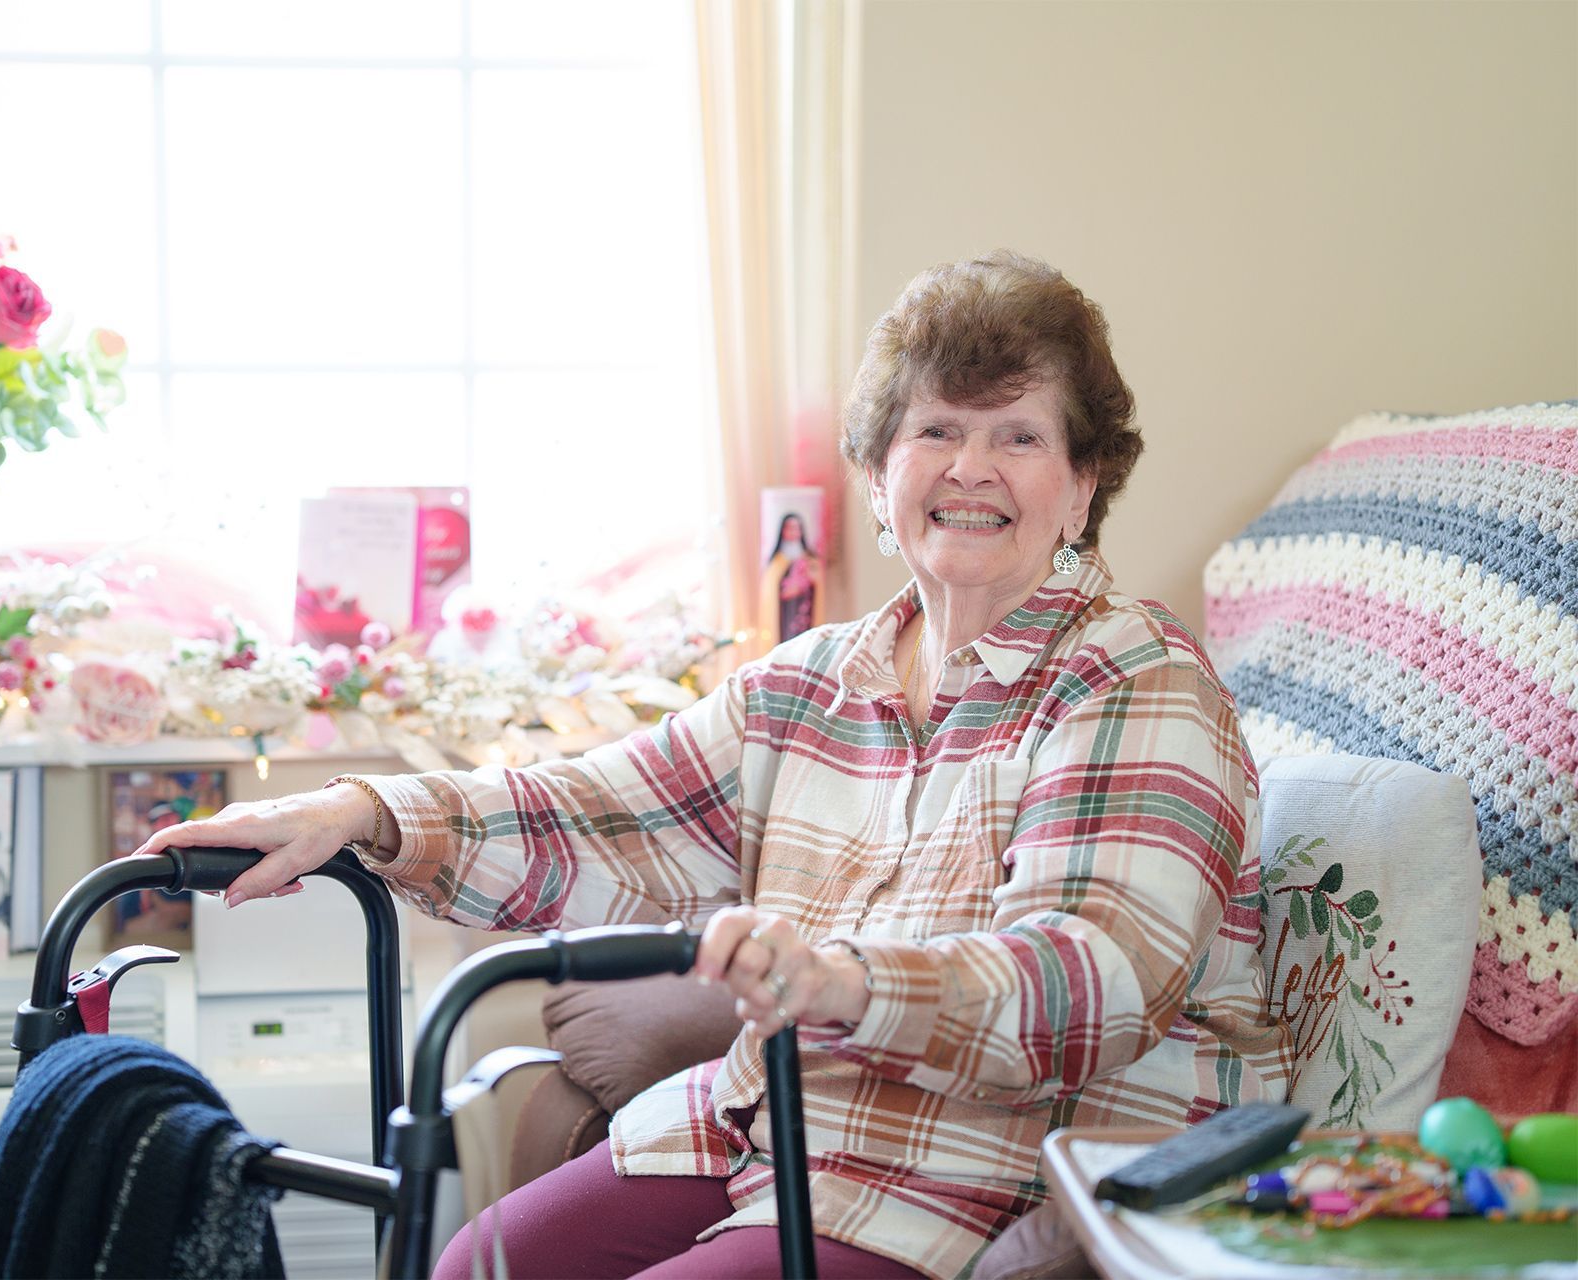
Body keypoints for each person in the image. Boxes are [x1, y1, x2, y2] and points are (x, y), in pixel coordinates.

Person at [134, 252, 1289, 1279]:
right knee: (476, 1259)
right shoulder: (814, 679)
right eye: (936, 428)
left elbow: (1088, 986)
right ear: (882, 475)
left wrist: (842, 981)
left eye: (1020, 435)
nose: (970, 465)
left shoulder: (1135, 677)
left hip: (980, 1165)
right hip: (771, 1115)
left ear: (1085, 485)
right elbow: (596, 811)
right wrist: (365, 809)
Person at [759, 512, 824, 644]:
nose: (794, 531)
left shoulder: (810, 559)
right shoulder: (776, 562)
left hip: (804, 610)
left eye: (797, 528)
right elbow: (771, 590)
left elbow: (817, 584)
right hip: (785, 613)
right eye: (790, 528)